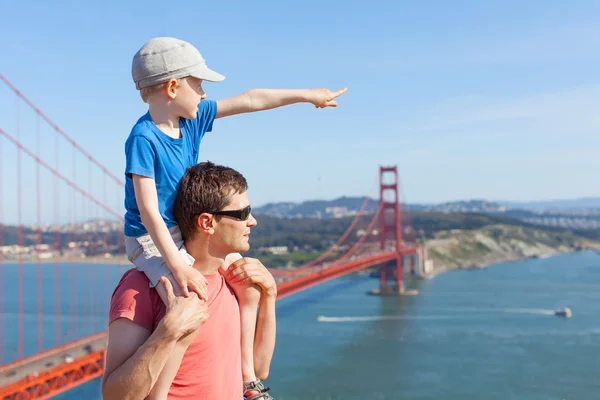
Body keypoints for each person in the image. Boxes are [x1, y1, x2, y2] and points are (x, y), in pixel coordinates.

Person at [122, 36, 346, 395]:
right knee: (186, 307)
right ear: (173, 86)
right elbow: (147, 209)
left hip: (180, 230)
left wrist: (307, 95)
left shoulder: (191, 120)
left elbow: (251, 99)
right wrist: (178, 266)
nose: (204, 94)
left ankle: (248, 380)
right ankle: (158, 394)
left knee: (245, 282)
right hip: (151, 239)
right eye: (199, 85)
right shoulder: (143, 138)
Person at [103, 161, 277, 399]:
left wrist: (269, 294)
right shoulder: (140, 287)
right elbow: (115, 396)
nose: (253, 221)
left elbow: (258, 370)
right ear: (207, 223)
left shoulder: (232, 280)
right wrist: (168, 332)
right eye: (242, 214)